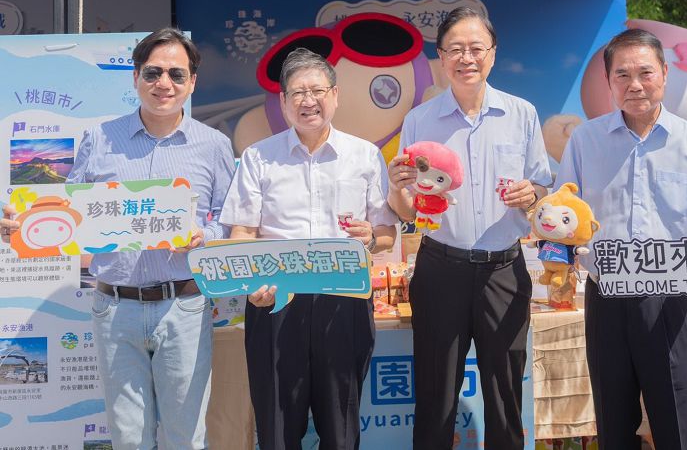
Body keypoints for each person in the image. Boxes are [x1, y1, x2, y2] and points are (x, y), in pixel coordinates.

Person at [0, 27, 236, 449]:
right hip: (115, 307)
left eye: (176, 75)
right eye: (153, 72)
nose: (164, 84)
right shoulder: (99, 139)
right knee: (128, 438)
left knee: (186, 436)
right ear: (135, 77)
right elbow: (70, 212)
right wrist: (24, 228)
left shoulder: (214, 145)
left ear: (192, 83)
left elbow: (229, 221)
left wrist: (204, 235)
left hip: (183, 306)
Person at [555, 28, 687, 450]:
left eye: (645, 72)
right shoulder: (585, 140)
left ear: (664, 74)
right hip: (607, 296)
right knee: (614, 425)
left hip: (675, 300)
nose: (635, 84)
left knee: (679, 425)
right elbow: (563, 214)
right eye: (622, 75)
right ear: (609, 82)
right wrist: (557, 261)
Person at [387, 7, 551, 450]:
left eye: (476, 48)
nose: (467, 58)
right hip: (441, 268)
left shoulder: (521, 114)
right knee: (435, 393)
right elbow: (406, 207)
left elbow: (542, 186)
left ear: (492, 54)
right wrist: (398, 186)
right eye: (455, 49)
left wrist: (532, 193)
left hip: (504, 270)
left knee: (505, 394)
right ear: (441, 57)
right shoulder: (420, 121)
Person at [220, 47, 397, 450]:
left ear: (335, 95)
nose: (308, 101)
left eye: (317, 90)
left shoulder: (365, 156)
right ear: (283, 101)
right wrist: (251, 283)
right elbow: (242, 232)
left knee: (341, 426)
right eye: (298, 92)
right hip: (275, 303)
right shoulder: (258, 158)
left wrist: (370, 238)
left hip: (344, 302)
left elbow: (386, 235)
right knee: (277, 427)